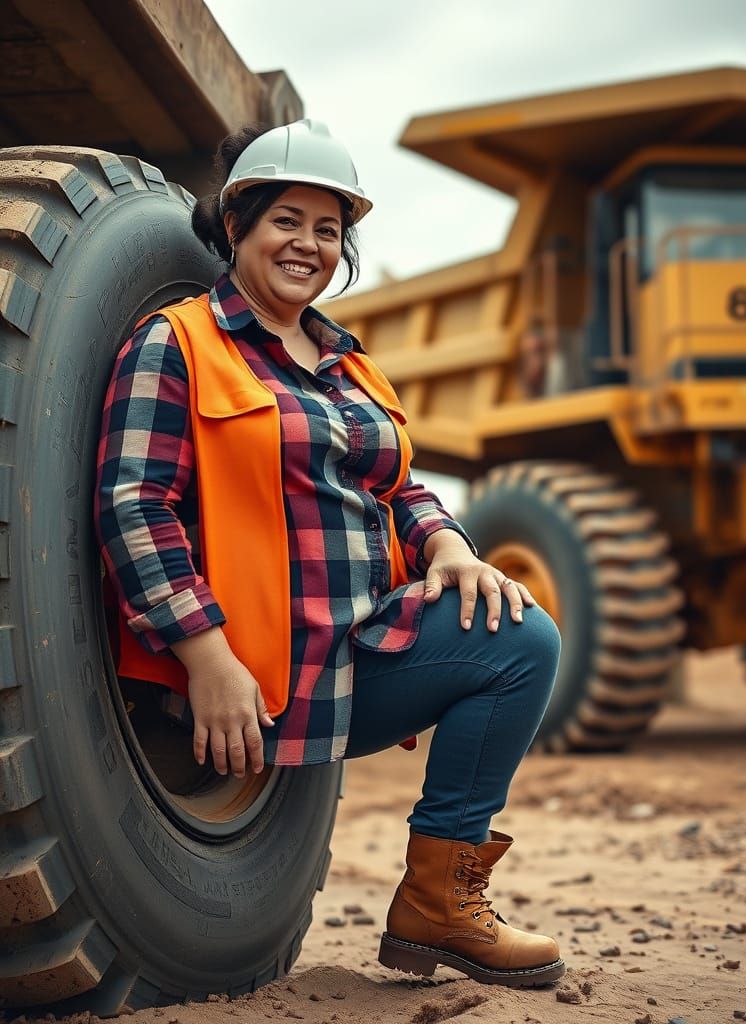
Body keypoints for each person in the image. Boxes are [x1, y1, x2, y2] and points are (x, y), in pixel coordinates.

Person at [94, 119, 565, 988]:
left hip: (357, 656)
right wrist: (207, 657)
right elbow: (135, 504)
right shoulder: (179, 343)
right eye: (286, 220)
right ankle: (433, 900)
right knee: (519, 639)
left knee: (523, 638)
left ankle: (436, 901)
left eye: (327, 228)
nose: (308, 245)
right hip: (250, 672)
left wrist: (451, 547)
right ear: (237, 223)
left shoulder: (351, 366)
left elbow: (399, 488)